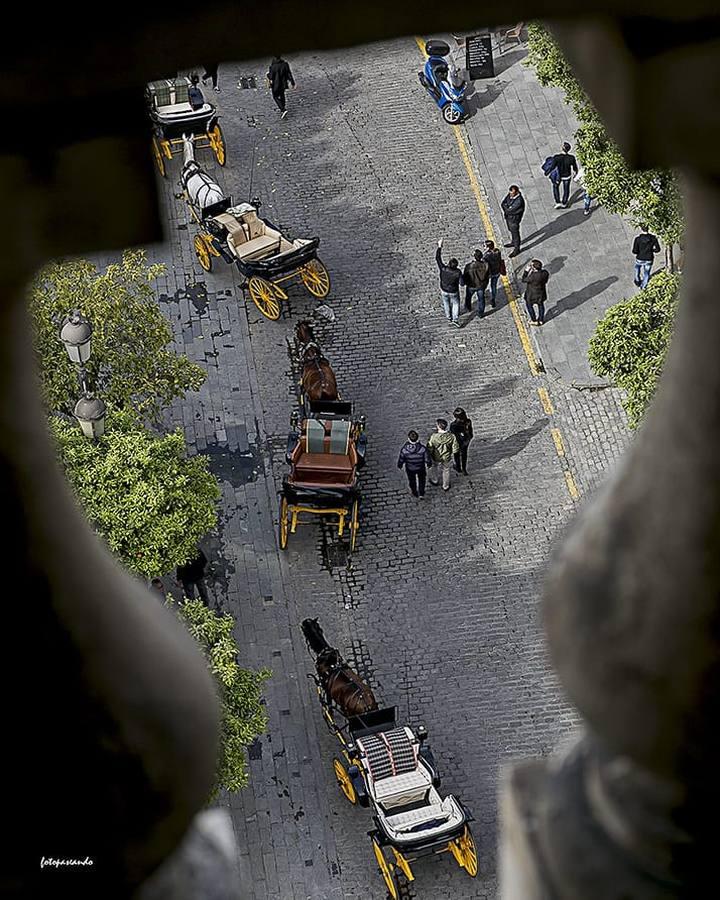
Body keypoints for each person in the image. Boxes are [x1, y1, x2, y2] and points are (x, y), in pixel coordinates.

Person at [436, 239, 463, 327]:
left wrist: (439, 247)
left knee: (446, 302)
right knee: (456, 303)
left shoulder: (443, 269)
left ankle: (448, 316)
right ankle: (455, 319)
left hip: (444, 289)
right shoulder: (458, 272)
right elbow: (462, 283)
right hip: (453, 291)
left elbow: (438, 258)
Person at [397, 430, 432, 498]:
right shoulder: (422, 448)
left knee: (412, 480)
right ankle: (421, 493)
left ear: (408, 438)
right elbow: (427, 458)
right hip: (420, 468)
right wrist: (429, 464)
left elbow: (401, 458)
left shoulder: (404, 449)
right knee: (422, 480)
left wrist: (400, 465)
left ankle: (414, 492)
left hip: (410, 468)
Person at [427, 419, 460, 492]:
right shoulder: (452, 436)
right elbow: (455, 448)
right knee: (446, 469)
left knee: (434, 467)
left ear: (438, 427)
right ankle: (446, 486)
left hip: (436, 456)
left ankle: (435, 480)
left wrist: (429, 454)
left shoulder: (434, 437)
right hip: (446, 456)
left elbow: (430, 447)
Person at [522, 259, 550, 326]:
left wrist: (526, 271)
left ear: (534, 268)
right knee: (541, 305)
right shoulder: (545, 273)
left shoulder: (532, 277)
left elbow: (523, 279)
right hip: (541, 293)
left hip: (531, 295)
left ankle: (534, 320)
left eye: (531, 265)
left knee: (529, 306)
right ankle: (541, 320)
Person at [632, 224, 661, 289]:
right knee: (646, 273)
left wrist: (639, 251)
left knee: (637, 268)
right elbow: (658, 249)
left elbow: (634, 251)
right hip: (649, 258)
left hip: (640, 258)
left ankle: (637, 280)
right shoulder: (653, 238)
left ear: (641, 229)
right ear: (648, 229)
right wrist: (651, 250)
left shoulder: (637, 239)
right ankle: (643, 286)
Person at [551, 142, 579, 209]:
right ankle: (564, 202)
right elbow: (575, 167)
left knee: (555, 187)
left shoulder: (557, 157)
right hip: (567, 176)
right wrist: (575, 173)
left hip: (559, 176)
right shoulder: (571, 158)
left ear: (562, 148)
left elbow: (552, 166)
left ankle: (558, 202)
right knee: (566, 189)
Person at [463, 250, 490, 317]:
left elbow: (465, 276)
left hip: (471, 285)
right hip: (481, 285)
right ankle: (481, 313)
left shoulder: (469, 266)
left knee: (468, 297)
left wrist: (466, 283)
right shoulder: (485, 266)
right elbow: (487, 276)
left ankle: (468, 307)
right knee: (481, 299)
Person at [501, 185, 525, 257]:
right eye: (510, 193)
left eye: (513, 193)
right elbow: (503, 203)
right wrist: (507, 208)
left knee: (515, 233)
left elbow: (509, 210)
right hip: (509, 217)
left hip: (514, 219)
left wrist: (507, 208)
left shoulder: (519, 201)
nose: (511, 194)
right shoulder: (510, 195)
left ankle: (517, 248)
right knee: (510, 229)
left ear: (517, 192)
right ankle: (513, 242)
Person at [450, 408, 474, 475]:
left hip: (457, 442)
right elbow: (470, 433)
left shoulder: (453, 425)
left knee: (456, 455)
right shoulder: (468, 422)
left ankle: (458, 467)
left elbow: (452, 435)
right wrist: (468, 440)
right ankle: (463, 469)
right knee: (464, 455)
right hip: (465, 441)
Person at [483, 240, 503, 308]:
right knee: (493, 286)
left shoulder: (486, 256)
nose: (484, 247)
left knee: (485, 283)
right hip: (497, 271)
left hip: (489, 273)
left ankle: (483, 293)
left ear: (488, 247)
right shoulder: (497, 251)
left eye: (485, 246)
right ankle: (493, 299)